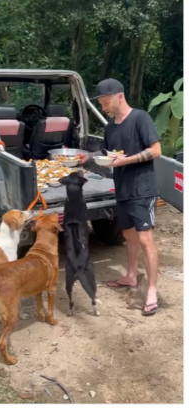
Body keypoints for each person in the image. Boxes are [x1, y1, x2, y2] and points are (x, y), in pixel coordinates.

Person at [77, 78, 162, 316]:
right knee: (128, 235)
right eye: (101, 104)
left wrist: (127, 160)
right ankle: (131, 276)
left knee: (146, 240)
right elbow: (109, 155)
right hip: (122, 189)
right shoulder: (111, 127)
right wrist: (88, 158)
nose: (103, 108)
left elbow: (156, 150)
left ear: (119, 96)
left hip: (142, 190)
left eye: (106, 103)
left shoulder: (140, 118)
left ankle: (152, 290)